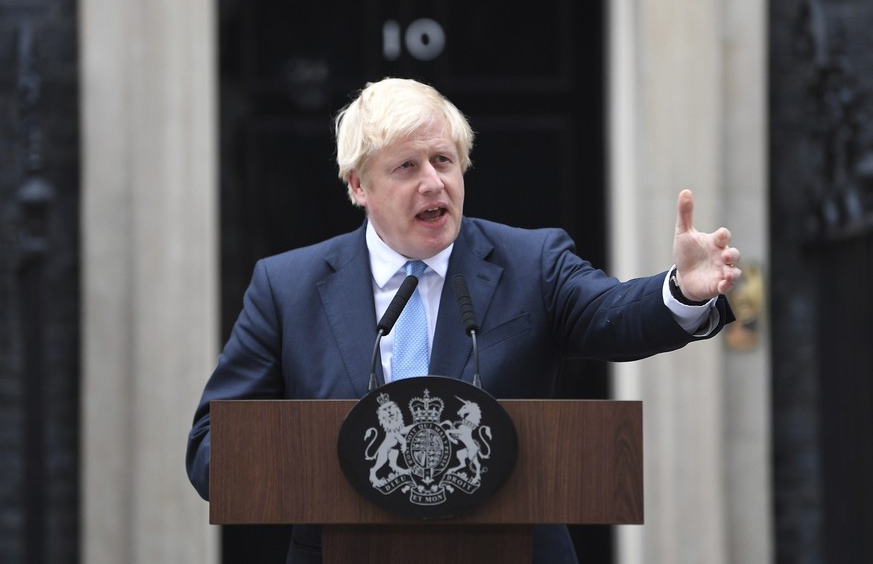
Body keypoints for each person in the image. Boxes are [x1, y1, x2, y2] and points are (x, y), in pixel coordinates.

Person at [187, 77, 741, 564]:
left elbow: (614, 314)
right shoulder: (287, 288)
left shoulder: (532, 262)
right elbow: (212, 447)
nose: (433, 183)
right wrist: (329, 465)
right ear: (358, 186)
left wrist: (681, 292)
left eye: (443, 161)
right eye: (407, 166)